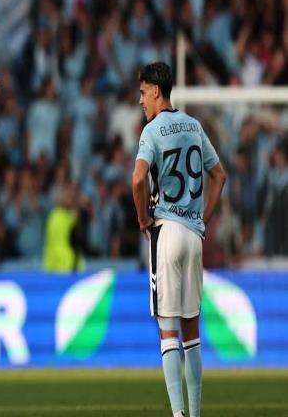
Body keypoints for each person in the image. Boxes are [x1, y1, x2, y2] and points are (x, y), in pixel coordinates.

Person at [132, 62, 226, 417]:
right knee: (192, 333)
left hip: (167, 232)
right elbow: (219, 175)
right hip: (193, 235)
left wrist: (143, 219)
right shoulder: (194, 125)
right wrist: (203, 219)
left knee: (168, 333)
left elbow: (138, 179)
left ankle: (177, 414)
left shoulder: (152, 130)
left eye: (143, 93)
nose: (141, 101)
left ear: (156, 90)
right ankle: (196, 413)